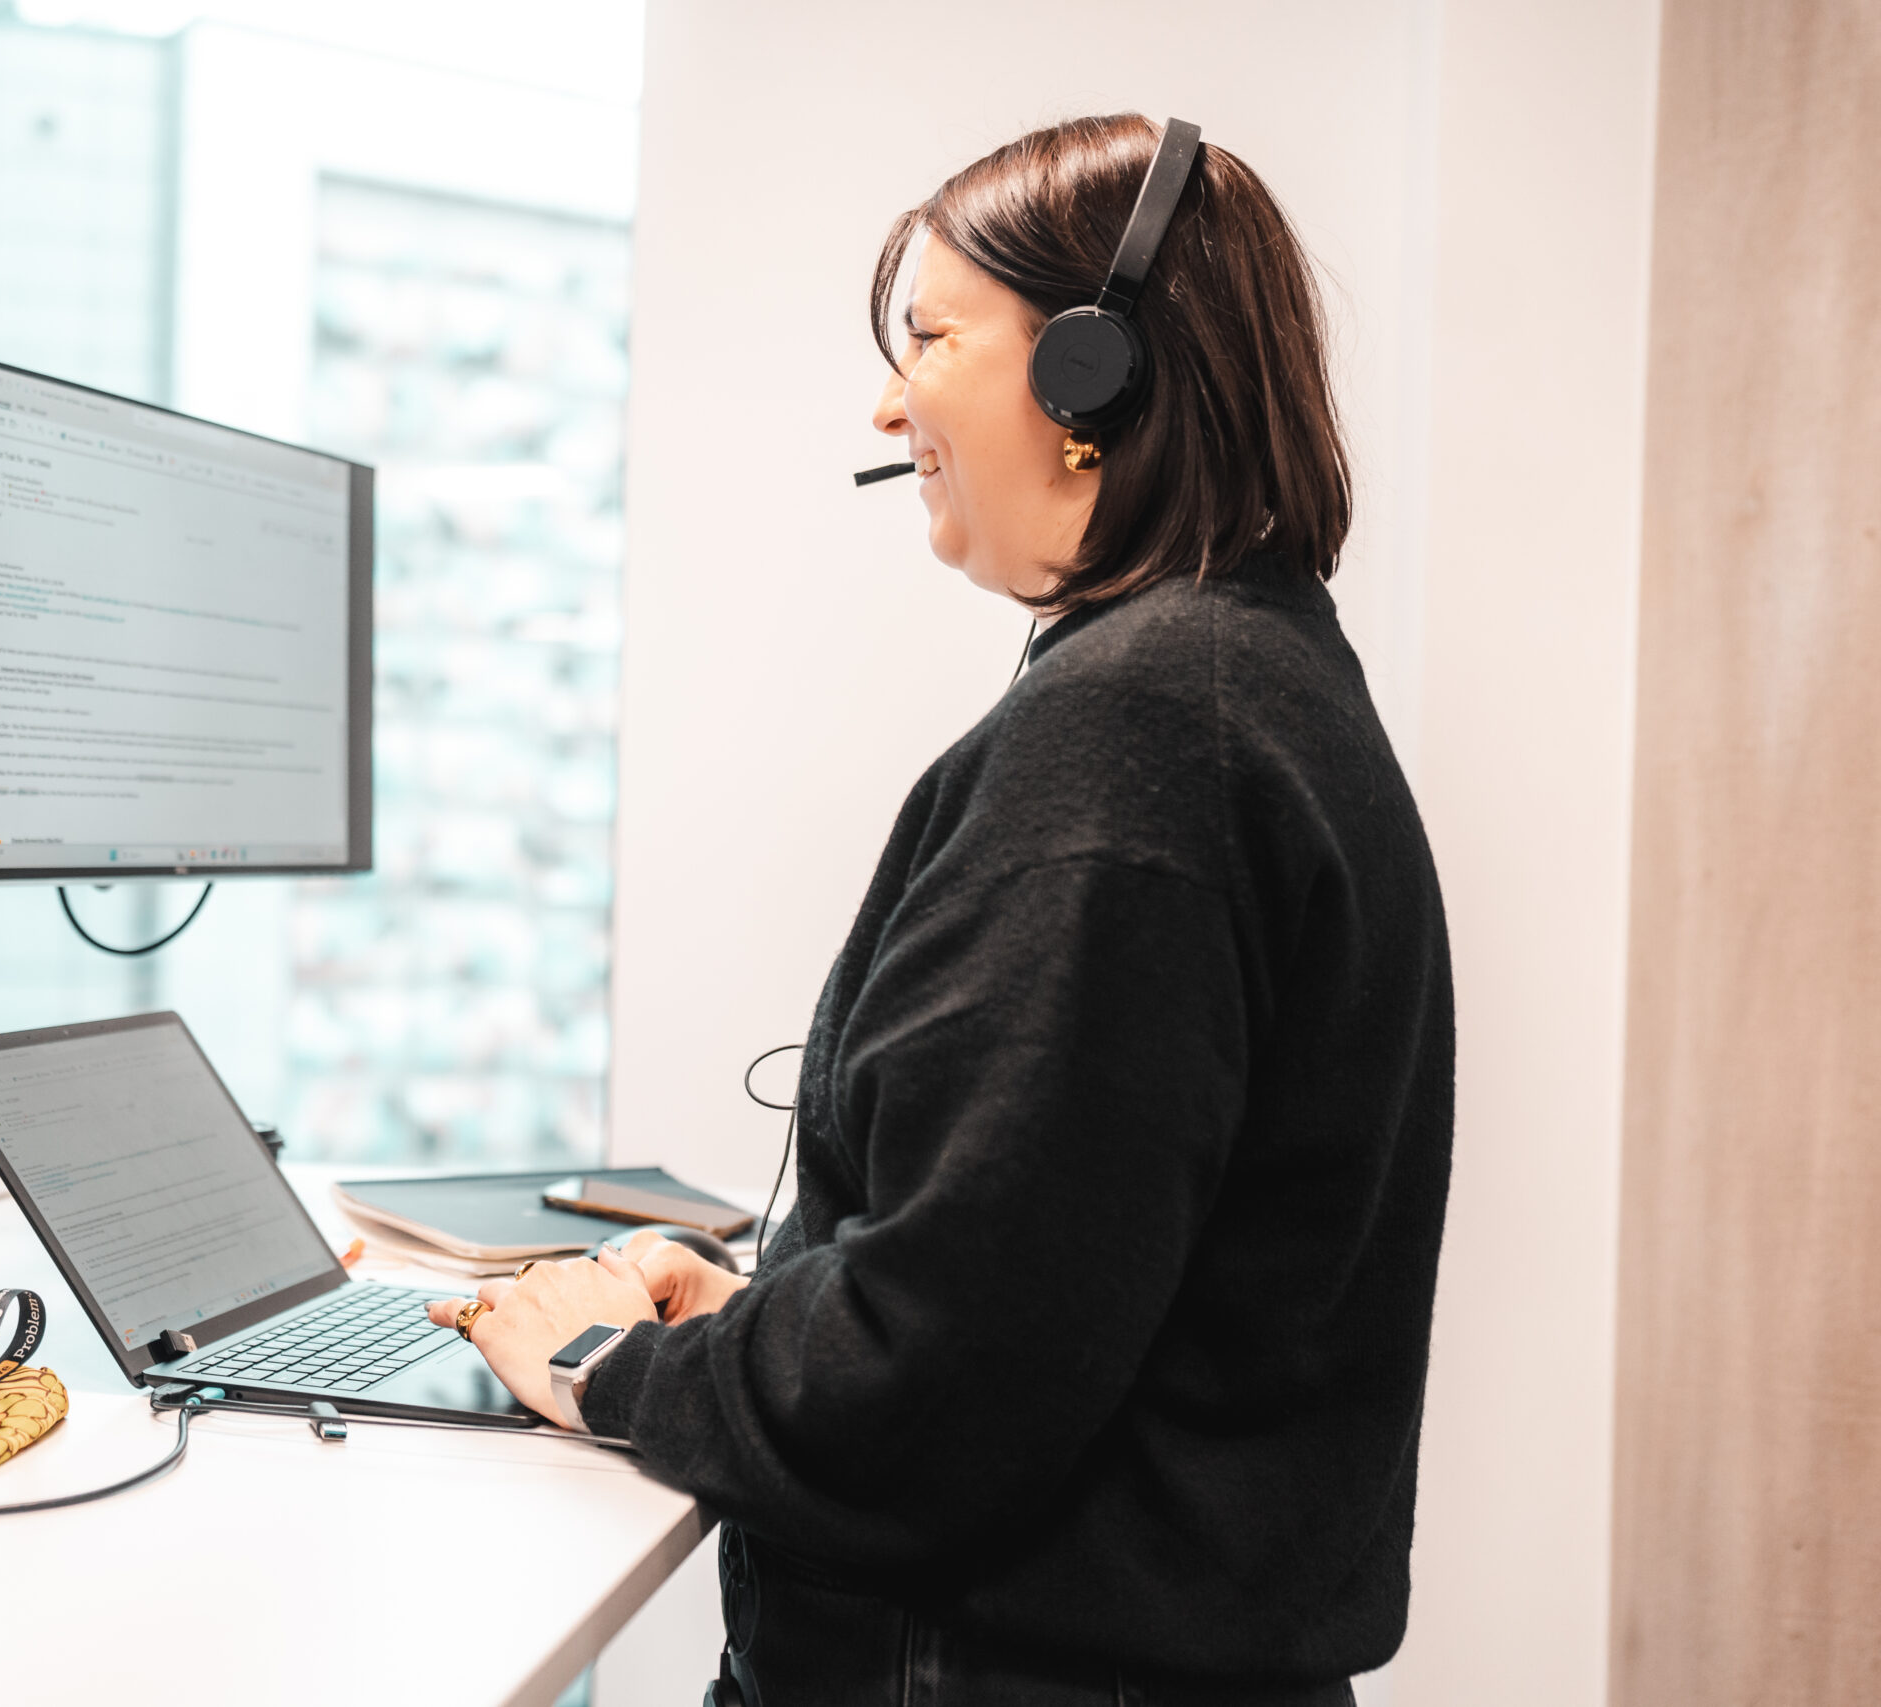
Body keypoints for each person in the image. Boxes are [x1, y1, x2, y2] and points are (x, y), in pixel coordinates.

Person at [427, 113, 1453, 1707]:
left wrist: (607, 1362)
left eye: (931, 338)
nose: (891, 402)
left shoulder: (1143, 737)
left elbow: (942, 1388)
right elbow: (1053, 1266)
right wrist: (769, 1312)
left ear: (1092, 374)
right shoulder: (1259, 682)